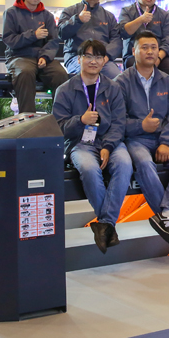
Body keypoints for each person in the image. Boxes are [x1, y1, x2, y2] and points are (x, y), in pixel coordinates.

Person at [51, 39, 133, 253]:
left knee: (125, 164)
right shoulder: (64, 90)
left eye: (98, 57)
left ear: (105, 60)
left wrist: (108, 146)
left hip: (109, 141)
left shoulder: (113, 88)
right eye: (88, 56)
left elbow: (119, 123)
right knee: (88, 168)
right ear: (79, 59)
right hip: (80, 143)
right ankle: (108, 224)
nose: (93, 61)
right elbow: (58, 127)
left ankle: (104, 224)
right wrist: (80, 120)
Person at [115, 31, 169, 245]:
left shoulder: (166, 80)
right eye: (144, 47)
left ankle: (166, 215)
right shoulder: (121, 82)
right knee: (144, 163)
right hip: (136, 139)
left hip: (162, 138)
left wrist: (166, 142)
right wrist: (140, 125)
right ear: (134, 51)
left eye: (153, 47)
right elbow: (117, 121)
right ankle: (166, 217)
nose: (150, 51)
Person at [2, 0, 69, 113]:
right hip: (19, 56)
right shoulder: (11, 13)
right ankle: (27, 118)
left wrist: (45, 56)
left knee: (60, 74)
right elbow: (9, 40)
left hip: (43, 58)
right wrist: (33, 35)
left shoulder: (47, 16)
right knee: (25, 72)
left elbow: (53, 41)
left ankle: (61, 118)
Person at [57, 0, 122, 77]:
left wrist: (107, 56)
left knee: (117, 78)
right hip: (77, 57)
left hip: (102, 58)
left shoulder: (108, 16)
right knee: (87, 75)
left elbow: (116, 40)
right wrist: (77, 20)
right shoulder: (69, 11)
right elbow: (61, 33)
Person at [119, 0, 169, 80]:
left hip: (158, 54)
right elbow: (123, 32)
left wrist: (158, 57)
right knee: (133, 68)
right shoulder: (127, 11)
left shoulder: (164, 15)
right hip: (135, 55)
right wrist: (140, 20)